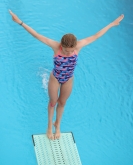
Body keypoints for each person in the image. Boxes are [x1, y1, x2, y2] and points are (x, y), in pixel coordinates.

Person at [9, 10, 124, 140]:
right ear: (61, 45)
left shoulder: (78, 46)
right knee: (53, 102)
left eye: (71, 51)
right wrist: (20, 22)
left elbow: (96, 35)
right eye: (66, 51)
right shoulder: (55, 46)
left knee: (62, 102)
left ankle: (58, 125)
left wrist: (112, 24)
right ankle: (49, 127)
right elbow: (36, 35)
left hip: (68, 79)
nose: (69, 53)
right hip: (56, 78)